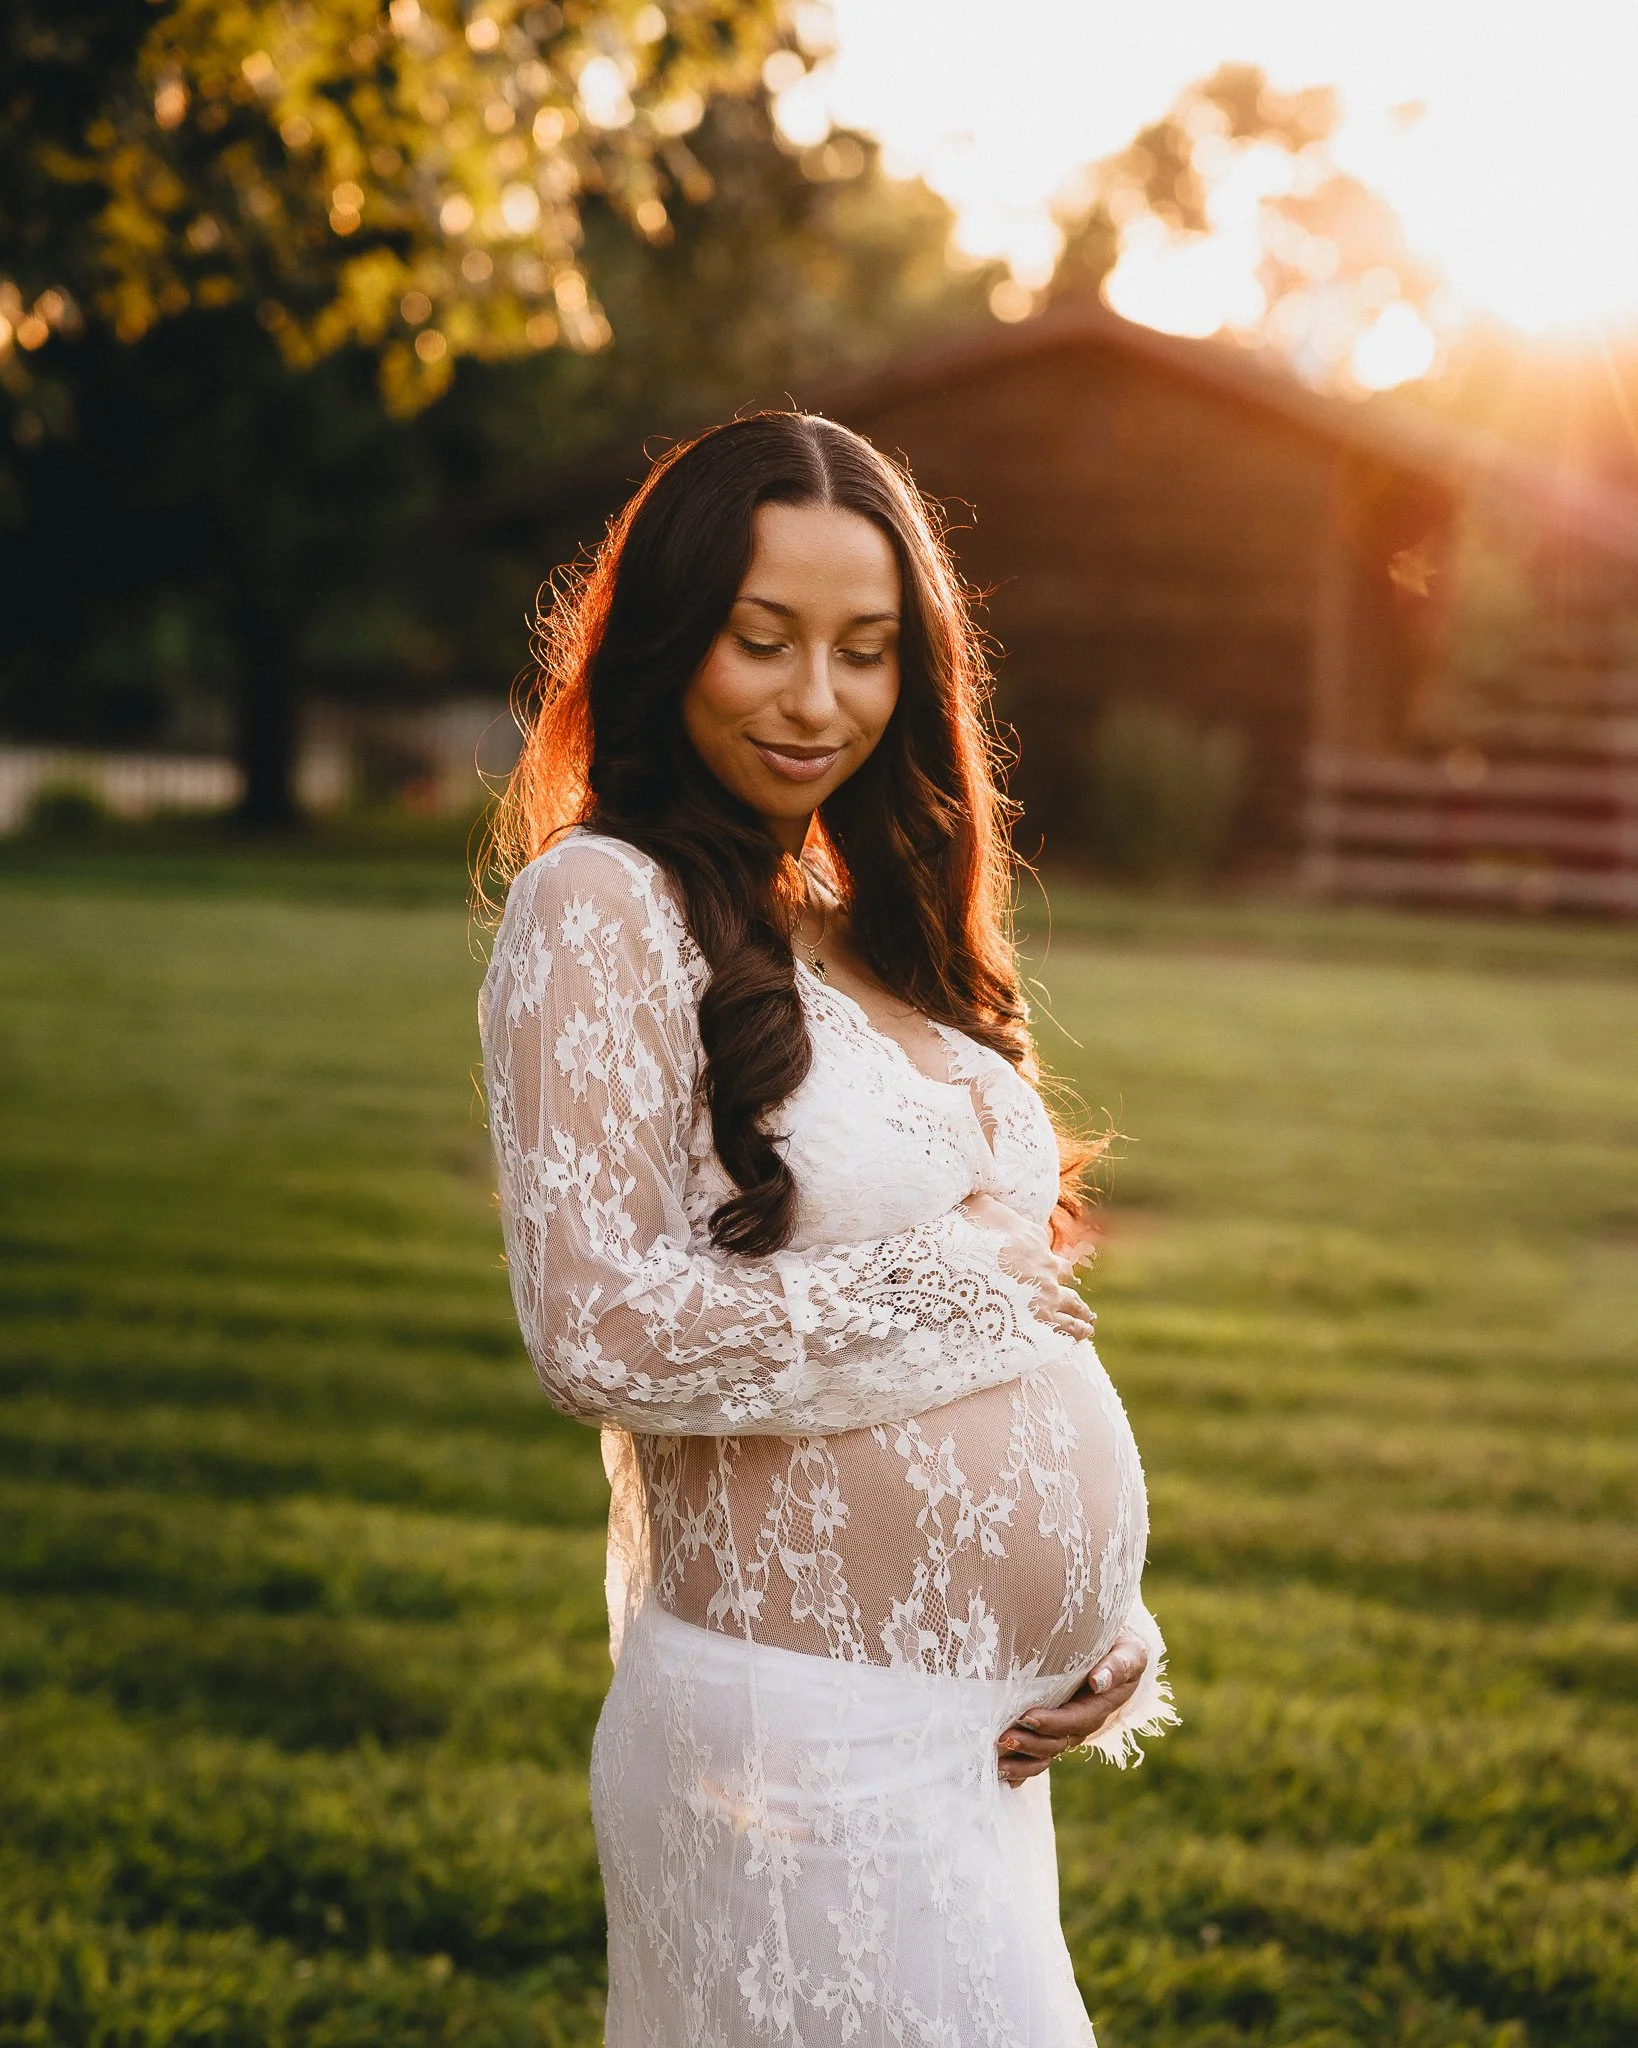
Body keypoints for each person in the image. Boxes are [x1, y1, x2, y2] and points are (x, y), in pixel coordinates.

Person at [478, 412, 1175, 2046]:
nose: (817, 700)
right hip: (788, 1751)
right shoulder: (600, 903)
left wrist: (1101, 1617)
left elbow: (1000, 1334)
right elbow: (596, 1332)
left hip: (968, 1739)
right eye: (762, 640)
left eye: (864, 652)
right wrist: (945, 1276)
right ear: (666, 643)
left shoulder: (864, 927)